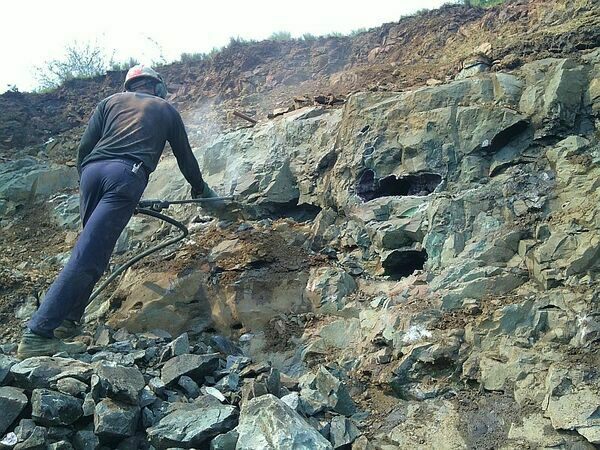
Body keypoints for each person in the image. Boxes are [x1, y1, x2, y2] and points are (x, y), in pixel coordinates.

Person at [17, 65, 217, 359]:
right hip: (127, 175)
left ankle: (67, 323)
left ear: (129, 86)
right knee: (90, 255)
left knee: (90, 249)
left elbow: (84, 149)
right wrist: (200, 190)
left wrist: (95, 183)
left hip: (91, 175)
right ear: (156, 86)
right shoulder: (165, 108)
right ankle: (38, 334)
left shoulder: (109, 102)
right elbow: (185, 159)